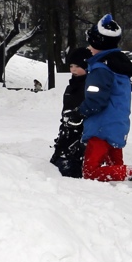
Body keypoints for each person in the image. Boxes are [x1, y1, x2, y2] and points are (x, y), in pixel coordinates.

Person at [77, 15, 132, 185]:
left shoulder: (100, 69)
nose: (89, 47)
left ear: (99, 44)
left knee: (91, 171)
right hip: (117, 125)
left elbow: (96, 100)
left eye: (91, 43)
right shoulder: (119, 67)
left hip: (101, 127)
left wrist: (79, 112)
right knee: (115, 168)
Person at [50, 47, 89, 178]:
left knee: (70, 171)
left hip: (81, 135)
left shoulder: (89, 85)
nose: (73, 70)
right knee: (55, 168)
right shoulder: (70, 86)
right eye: (71, 66)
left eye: (78, 66)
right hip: (66, 133)